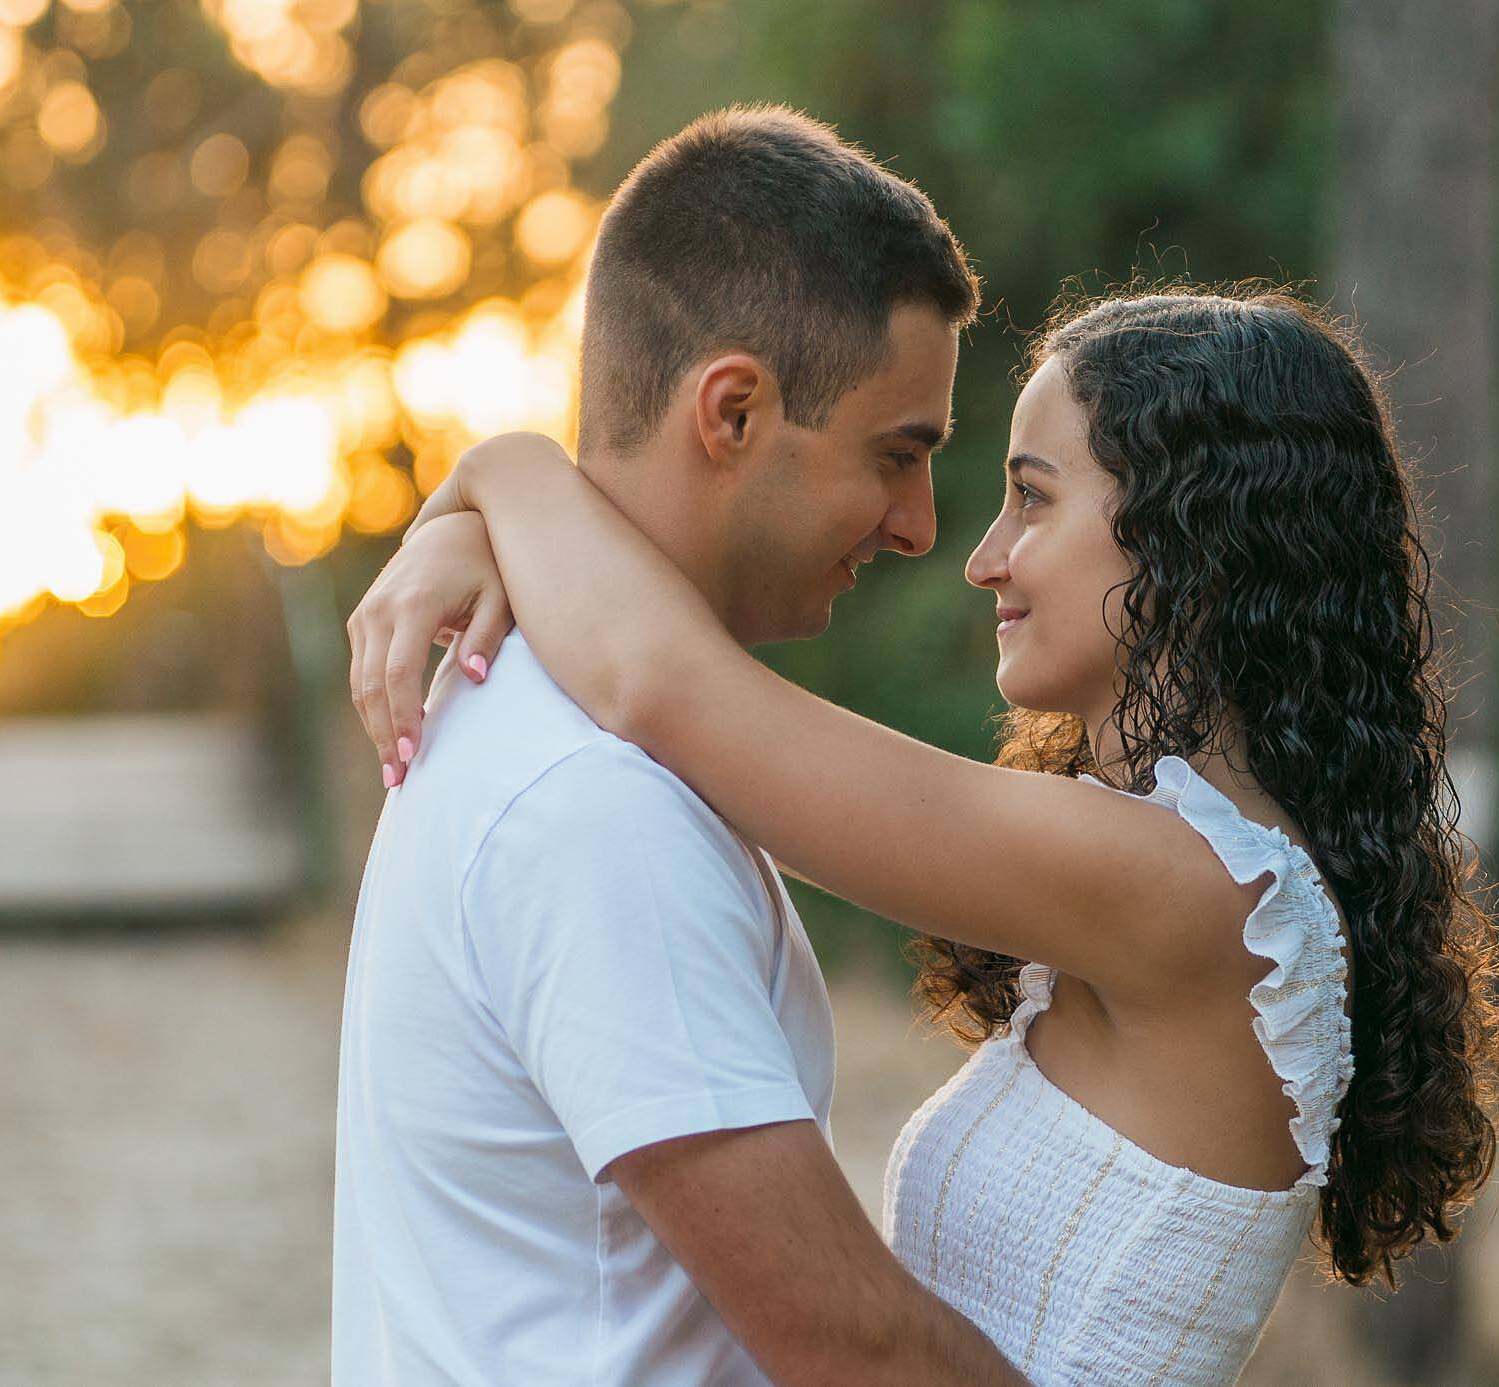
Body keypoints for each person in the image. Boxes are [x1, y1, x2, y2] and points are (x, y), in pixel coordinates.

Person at [348, 283, 1499, 1384]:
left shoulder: (1187, 885)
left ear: (1184, 538)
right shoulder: (1179, 864)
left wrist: (498, 475)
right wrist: (479, 528)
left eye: (1034, 495)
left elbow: (661, 685)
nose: (980, 556)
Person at [333, 104, 1030, 1385]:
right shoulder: (596, 802)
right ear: (731, 412)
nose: (923, 526)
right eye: (896, 455)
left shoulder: (579, 729)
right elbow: (850, 1343)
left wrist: (493, 477)